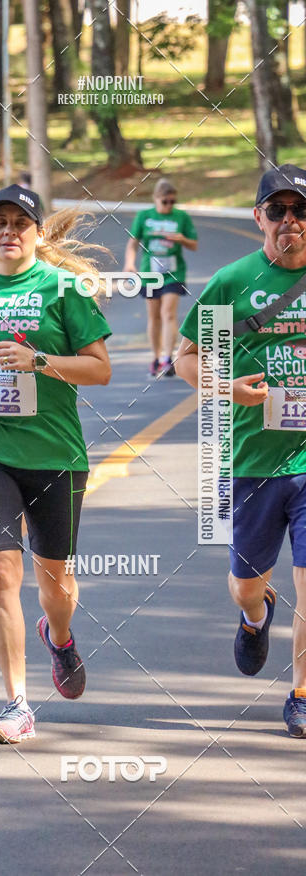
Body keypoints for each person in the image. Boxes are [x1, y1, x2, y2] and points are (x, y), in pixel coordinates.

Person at [0, 185, 112, 743]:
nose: (9, 230)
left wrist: (39, 361)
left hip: (55, 452)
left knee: (56, 583)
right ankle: (16, 705)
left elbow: (100, 369)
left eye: (21, 223)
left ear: (37, 233)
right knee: (1, 570)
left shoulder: (64, 289)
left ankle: (59, 636)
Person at [176, 163, 306, 739]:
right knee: (246, 584)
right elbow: (185, 358)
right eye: (277, 210)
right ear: (258, 218)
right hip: (252, 462)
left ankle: (301, 693)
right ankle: (256, 614)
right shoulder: (232, 282)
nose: (290, 220)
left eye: (301, 210)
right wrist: (226, 387)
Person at [124, 178, 198, 377]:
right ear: (156, 198)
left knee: (168, 314)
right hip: (150, 274)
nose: (168, 206)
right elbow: (133, 243)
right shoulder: (144, 216)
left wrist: (182, 239)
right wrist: (129, 263)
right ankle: (156, 358)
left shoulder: (181, 217)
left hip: (174, 274)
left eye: (172, 202)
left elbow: (194, 244)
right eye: (165, 202)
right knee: (154, 316)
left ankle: (167, 358)